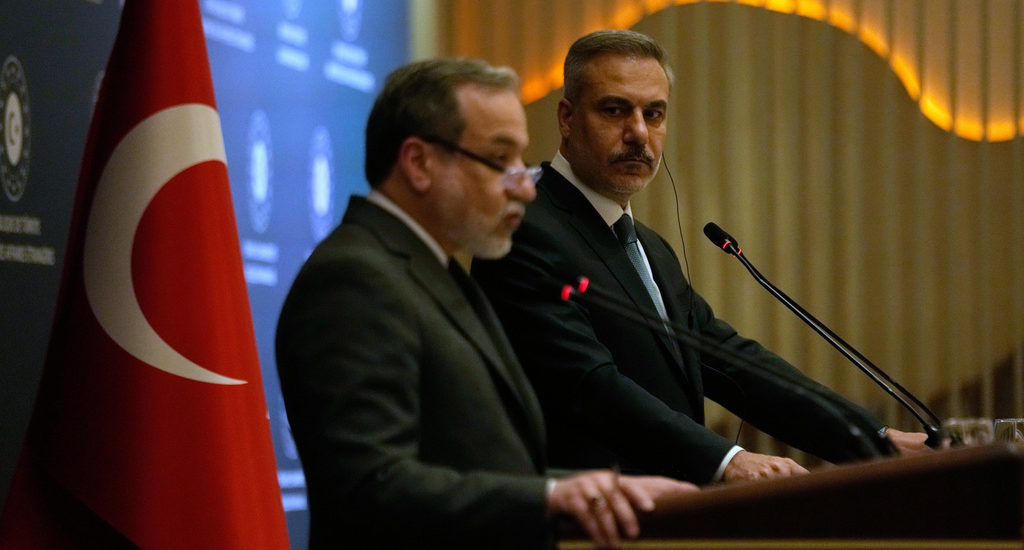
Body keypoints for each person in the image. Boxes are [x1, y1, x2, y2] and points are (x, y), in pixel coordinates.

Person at [471, 30, 930, 487]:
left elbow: (731, 362)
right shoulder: (524, 231)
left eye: (654, 114)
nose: (638, 133)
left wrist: (873, 438)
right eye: (615, 110)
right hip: (586, 522)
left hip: (671, 519)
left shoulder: (649, 247)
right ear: (567, 118)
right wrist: (725, 458)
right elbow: (587, 384)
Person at [275, 58, 696, 550]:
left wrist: (605, 490)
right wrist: (550, 497)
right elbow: (371, 486)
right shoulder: (353, 280)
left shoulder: (439, 272)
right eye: (500, 160)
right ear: (419, 163)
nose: (523, 184)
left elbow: (483, 465)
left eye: (521, 160)